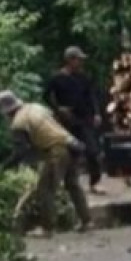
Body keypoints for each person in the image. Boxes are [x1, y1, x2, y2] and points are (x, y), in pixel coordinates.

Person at [0, 89, 93, 237]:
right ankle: (87, 221)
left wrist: (4, 167)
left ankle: (47, 228)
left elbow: (21, 151)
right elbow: (51, 126)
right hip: (70, 144)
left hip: (56, 151)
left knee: (45, 189)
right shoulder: (36, 107)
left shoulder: (18, 123)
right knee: (73, 184)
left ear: (7, 111)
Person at [45, 46, 105, 194]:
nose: (81, 63)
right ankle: (66, 183)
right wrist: (58, 109)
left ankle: (94, 182)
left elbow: (91, 95)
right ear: (70, 60)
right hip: (67, 121)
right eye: (78, 59)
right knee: (67, 153)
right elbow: (46, 95)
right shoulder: (57, 78)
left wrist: (96, 113)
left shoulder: (83, 77)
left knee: (93, 152)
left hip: (84, 119)